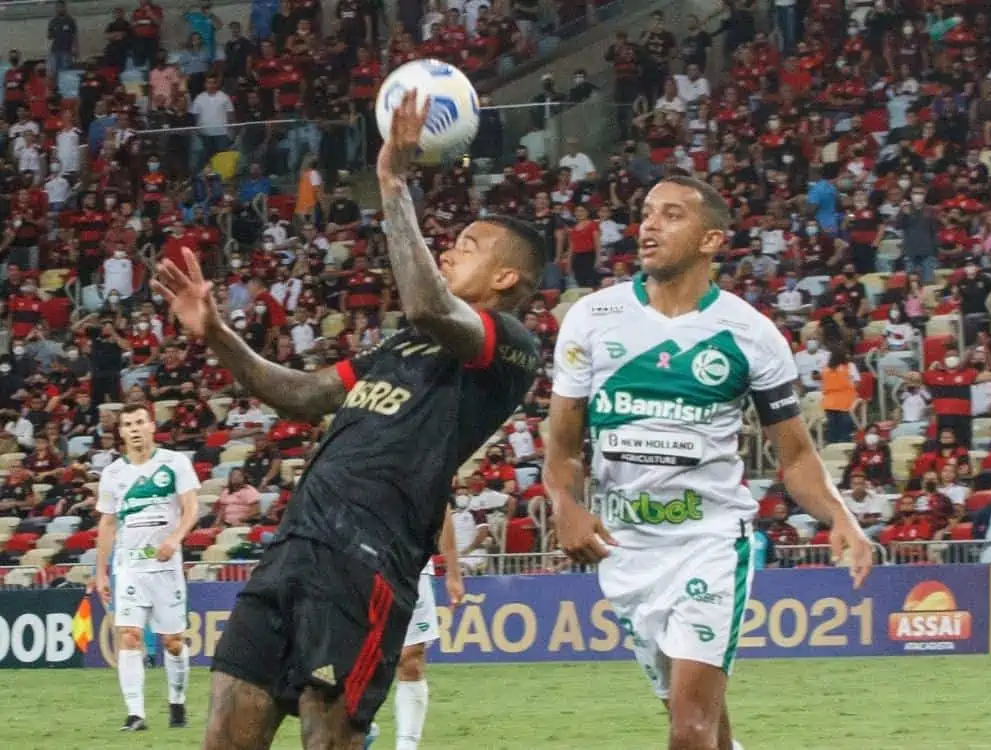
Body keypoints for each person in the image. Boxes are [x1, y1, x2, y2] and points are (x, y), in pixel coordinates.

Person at [151, 89, 543, 749]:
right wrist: (217, 334)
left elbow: (427, 305)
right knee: (223, 736)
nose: (448, 251)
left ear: (505, 280)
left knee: (328, 740)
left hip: (366, 561)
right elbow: (301, 395)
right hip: (293, 547)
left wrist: (392, 181)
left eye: (468, 246)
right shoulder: (399, 347)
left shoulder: (506, 346)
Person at [543, 176, 872, 750]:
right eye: (646, 213)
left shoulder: (750, 334)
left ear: (710, 240)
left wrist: (840, 516)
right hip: (626, 552)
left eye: (671, 216)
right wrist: (565, 504)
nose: (648, 225)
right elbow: (564, 447)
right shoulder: (592, 319)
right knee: (705, 728)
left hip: (710, 543)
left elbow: (794, 455)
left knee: (688, 733)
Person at [93, 403, 201, 731]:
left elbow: (192, 508)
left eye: (141, 422)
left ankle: (177, 702)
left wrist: (176, 539)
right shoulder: (113, 474)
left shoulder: (175, 463)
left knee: (173, 642)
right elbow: (107, 525)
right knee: (129, 637)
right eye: (128, 424)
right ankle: (136, 714)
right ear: (122, 432)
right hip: (129, 568)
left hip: (166, 569)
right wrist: (100, 572)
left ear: (152, 426)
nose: (135, 429)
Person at [393, 513, 464, 750]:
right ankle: (359, 724)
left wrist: (453, 573)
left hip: (412, 561)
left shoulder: (424, 474)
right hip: (355, 562)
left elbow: (442, 510)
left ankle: (406, 745)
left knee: (411, 659)